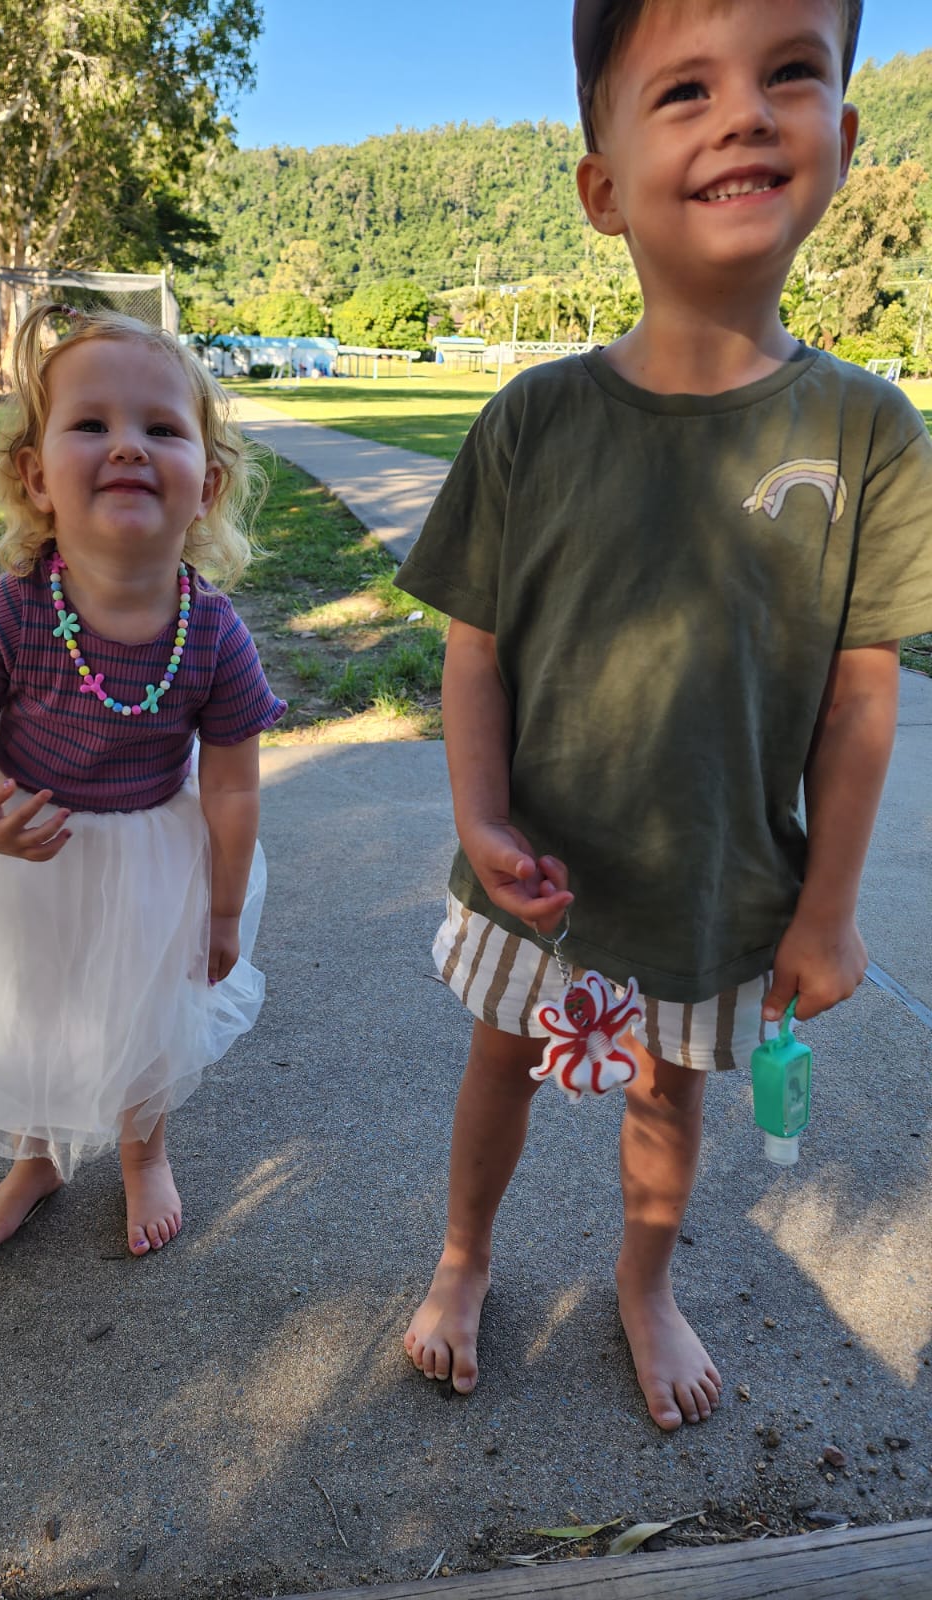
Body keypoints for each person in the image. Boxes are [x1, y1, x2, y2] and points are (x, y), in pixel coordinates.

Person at [397, 0, 932, 1430]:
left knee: (668, 1101)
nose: (745, 113)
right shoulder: (531, 420)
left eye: (792, 73)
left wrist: (827, 910)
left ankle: (646, 1285)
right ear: (603, 186)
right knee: (498, 1067)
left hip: (719, 888)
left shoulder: (870, 433)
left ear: (845, 138)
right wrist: (480, 815)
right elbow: (475, 654)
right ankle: (463, 1258)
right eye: (684, 88)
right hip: (543, 881)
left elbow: (862, 699)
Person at [0, 303, 285, 1258]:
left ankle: (141, 1150)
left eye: (161, 428)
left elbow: (235, 787)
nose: (127, 445)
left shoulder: (212, 634)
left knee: (144, 1015)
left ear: (205, 486)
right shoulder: (13, 611)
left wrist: (220, 909)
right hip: (20, 852)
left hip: (152, 864)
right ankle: (36, 1151)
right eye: (91, 424)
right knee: (31, 1011)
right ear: (35, 476)